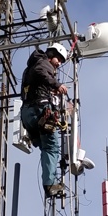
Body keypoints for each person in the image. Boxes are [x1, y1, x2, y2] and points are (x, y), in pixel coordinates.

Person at [20, 43, 68, 197]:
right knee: (52, 148)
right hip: (40, 111)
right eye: (58, 59)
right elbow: (42, 72)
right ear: (52, 54)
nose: (59, 64)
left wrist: (50, 88)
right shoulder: (43, 63)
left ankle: (50, 180)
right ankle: (50, 185)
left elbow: (37, 79)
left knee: (45, 147)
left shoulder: (31, 66)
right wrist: (56, 84)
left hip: (27, 115)